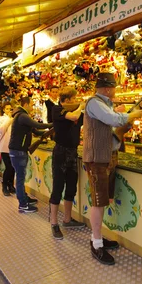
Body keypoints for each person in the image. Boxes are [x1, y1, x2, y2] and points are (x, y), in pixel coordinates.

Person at [84, 73, 142, 265]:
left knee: (105, 200)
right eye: (114, 88)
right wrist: (130, 115)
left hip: (108, 157)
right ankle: (97, 243)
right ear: (108, 89)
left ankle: (98, 238)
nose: (116, 91)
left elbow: (114, 127)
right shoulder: (94, 103)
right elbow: (112, 120)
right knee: (98, 202)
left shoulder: (105, 105)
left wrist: (124, 119)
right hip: (97, 159)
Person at [49, 87, 86, 239]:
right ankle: (53, 223)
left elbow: (84, 121)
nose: (75, 101)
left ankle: (67, 219)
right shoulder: (57, 109)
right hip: (60, 152)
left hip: (72, 152)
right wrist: (82, 107)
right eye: (73, 99)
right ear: (66, 100)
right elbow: (72, 117)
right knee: (58, 187)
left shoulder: (77, 112)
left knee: (71, 187)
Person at [9, 96, 52, 213]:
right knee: (20, 177)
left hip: (18, 151)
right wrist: (52, 125)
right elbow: (37, 126)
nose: (33, 106)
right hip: (18, 151)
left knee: (21, 177)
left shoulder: (21, 116)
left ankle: (24, 198)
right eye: (32, 104)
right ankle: (23, 204)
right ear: (26, 104)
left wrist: (48, 131)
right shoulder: (22, 116)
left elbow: (36, 131)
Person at [0, 102, 16, 197]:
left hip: (13, 146)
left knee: (13, 167)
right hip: (4, 146)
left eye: (10, 109)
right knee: (8, 167)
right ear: (3, 109)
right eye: (7, 108)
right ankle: (4, 185)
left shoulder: (13, 119)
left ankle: (11, 185)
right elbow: (1, 129)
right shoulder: (1, 119)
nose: (9, 110)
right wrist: (9, 119)